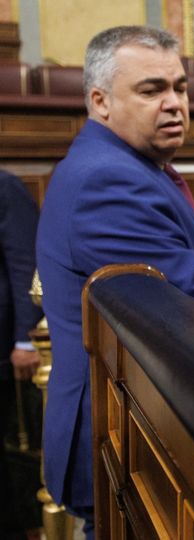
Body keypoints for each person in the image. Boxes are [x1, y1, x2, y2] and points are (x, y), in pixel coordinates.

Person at [36, 26, 194, 534]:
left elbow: (173, 254)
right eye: (151, 90)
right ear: (100, 101)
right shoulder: (108, 179)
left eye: (180, 88)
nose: (174, 103)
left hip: (140, 426)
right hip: (120, 434)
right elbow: (187, 299)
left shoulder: (135, 166)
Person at [0, 171, 42, 539]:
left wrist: (25, 340)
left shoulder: (5, 186)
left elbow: (24, 263)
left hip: (7, 349)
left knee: (15, 452)